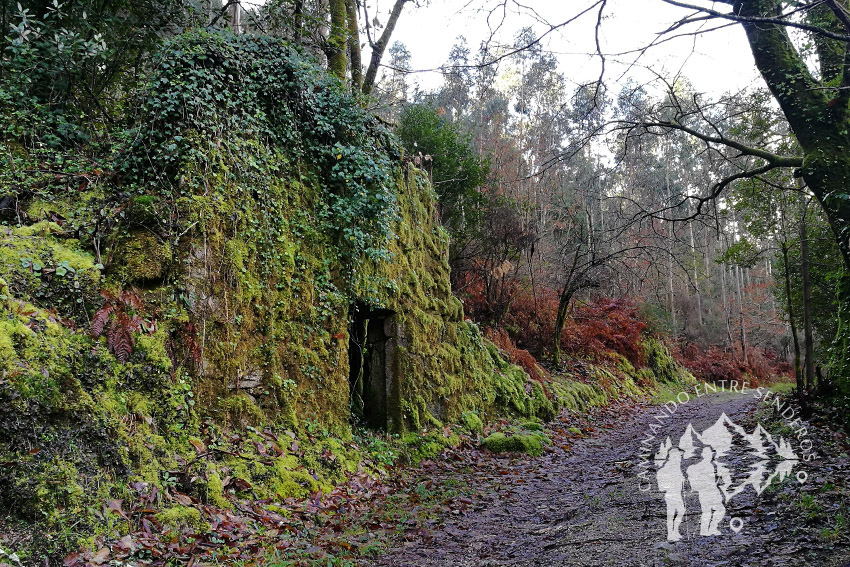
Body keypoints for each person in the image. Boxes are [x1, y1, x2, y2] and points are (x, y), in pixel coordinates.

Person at [686, 446, 725, 536]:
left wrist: (717, 479)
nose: (709, 456)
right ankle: (705, 530)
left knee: (719, 510)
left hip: (713, 490)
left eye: (710, 454)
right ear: (704, 455)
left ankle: (711, 528)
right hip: (705, 491)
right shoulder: (700, 466)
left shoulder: (711, 465)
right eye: (707, 454)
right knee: (708, 511)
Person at [656, 446, 686, 542]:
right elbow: (661, 487)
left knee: (681, 511)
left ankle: (675, 532)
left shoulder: (676, 468)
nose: (680, 458)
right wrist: (672, 484)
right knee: (672, 514)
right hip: (671, 494)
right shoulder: (665, 469)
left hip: (677, 493)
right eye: (678, 456)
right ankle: (670, 534)